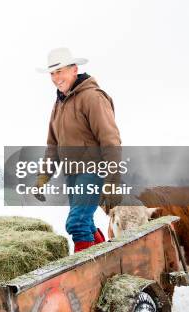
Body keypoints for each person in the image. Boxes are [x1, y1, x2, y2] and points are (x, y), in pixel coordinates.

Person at [35, 47, 122, 252]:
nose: (56, 78)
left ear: (74, 69)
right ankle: (103, 260)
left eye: (60, 71)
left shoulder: (93, 97)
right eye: (52, 73)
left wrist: (113, 179)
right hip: (72, 173)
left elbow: (110, 140)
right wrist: (43, 178)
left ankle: (82, 276)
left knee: (76, 224)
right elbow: (53, 146)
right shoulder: (59, 103)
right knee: (86, 223)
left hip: (93, 172)